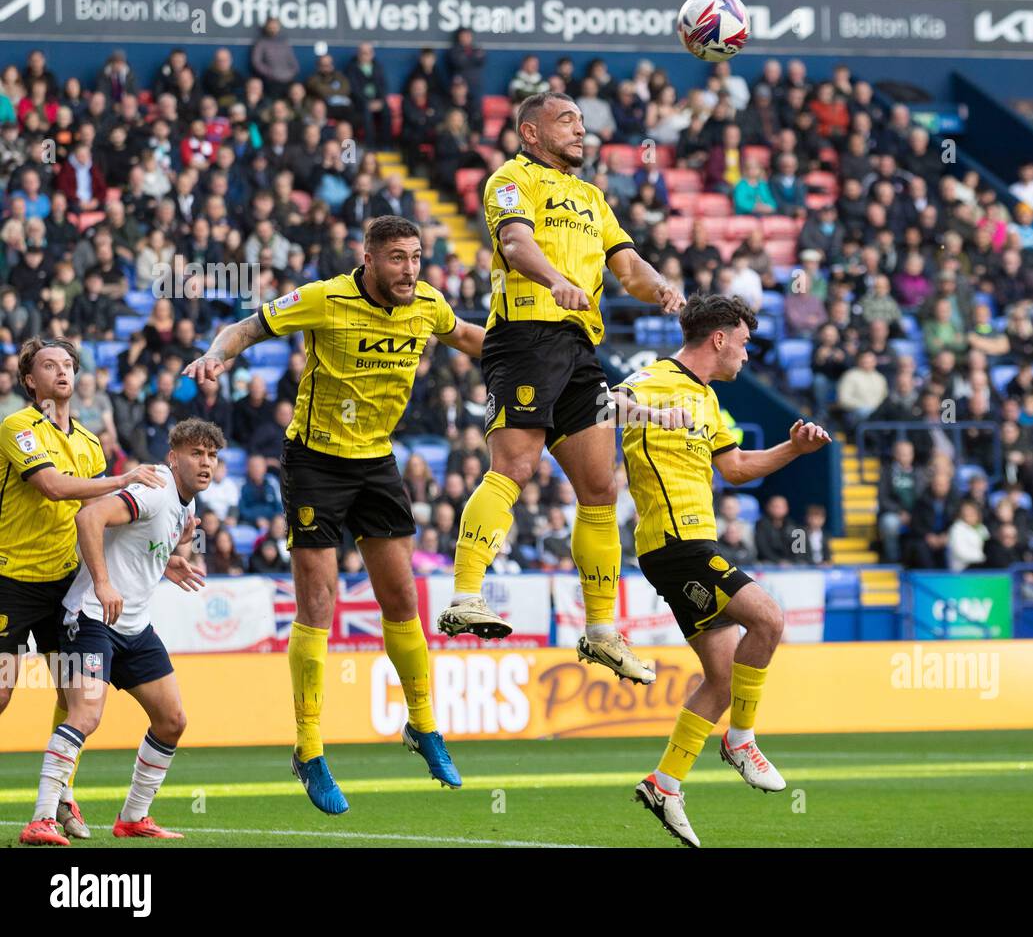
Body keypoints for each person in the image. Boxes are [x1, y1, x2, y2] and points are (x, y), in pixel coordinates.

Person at [183, 215, 486, 814]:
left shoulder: (428, 304)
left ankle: (423, 726)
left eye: (417, 256)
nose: (409, 269)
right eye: (397, 257)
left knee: (402, 601)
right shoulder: (325, 298)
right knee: (317, 604)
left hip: (376, 460)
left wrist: (543, 354)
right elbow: (249, 327)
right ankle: (310, 749)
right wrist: (215, 357)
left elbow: (472, 339)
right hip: (316, 460)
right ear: (368, 259)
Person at [438, 92, 684, 686]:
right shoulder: (510, 179)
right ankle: (465, 593)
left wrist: (666, 292)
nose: (581, 130)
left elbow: (628, 268)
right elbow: (517, 246)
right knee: (516, 466)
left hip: (580, 349)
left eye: (581, 120)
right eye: (566, 120)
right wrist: (558, 282)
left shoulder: (593, 198)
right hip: (525, 334)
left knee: (601, 487)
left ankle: (601, 631)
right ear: (530, 132)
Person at [610, 294, 830, 847]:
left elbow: (735, 468)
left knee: (723, 678)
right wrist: (655, 414)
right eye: (745, 342)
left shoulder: (709, 401)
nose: (747, 355)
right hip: (674, 543)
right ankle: (742, 740)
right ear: (719, 339)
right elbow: (601, 406)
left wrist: (792, 450)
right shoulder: (655, 377)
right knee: (770, 619)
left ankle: (665, 782)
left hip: (692, 541)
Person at [18, 419, 220, 846]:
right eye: (196, 454)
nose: (205, 463)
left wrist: (167, 562)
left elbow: (136, 542)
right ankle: (41, 819)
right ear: (173, 457)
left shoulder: (186, 505)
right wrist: (104, 583)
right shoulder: (155, 488)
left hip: (133, 626)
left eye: (212, 456)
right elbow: (90, 518)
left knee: (172, 721)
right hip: (91, 617)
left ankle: (133, 818)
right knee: (86, 716)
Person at [0, 338, 169, 841]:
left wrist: (170, 555)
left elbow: (98, 518)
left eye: (69, 364)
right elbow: (52, 486)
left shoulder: (91, 442)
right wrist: (125, 478)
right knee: (3, 692)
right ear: (31, 381)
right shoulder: (17, 427)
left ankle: (61, 800)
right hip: (11, 581)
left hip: (65, 586)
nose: (62, 372)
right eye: (49, 365)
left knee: (75, 697)